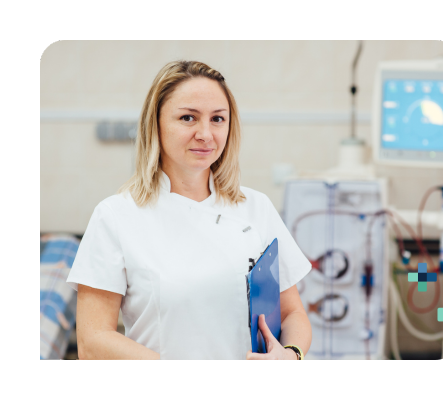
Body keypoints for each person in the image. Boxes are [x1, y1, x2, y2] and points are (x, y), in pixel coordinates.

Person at [67, 61, 312, 360]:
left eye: (218, 119)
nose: (205, 134)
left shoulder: (256, 207)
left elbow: (292, 313)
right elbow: (93, 341)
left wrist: (291, 354)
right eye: (188, 118)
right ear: (155, 123)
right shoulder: (116, 216)